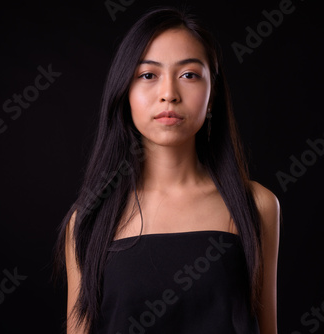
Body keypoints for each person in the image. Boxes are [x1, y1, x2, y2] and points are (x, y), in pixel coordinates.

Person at [54, 6, 280, 334]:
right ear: (125, 92)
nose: (169, 95)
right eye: (148, 75)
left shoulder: (256, 204)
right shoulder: (89, 218)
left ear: (212, 93)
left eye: (188, 75)